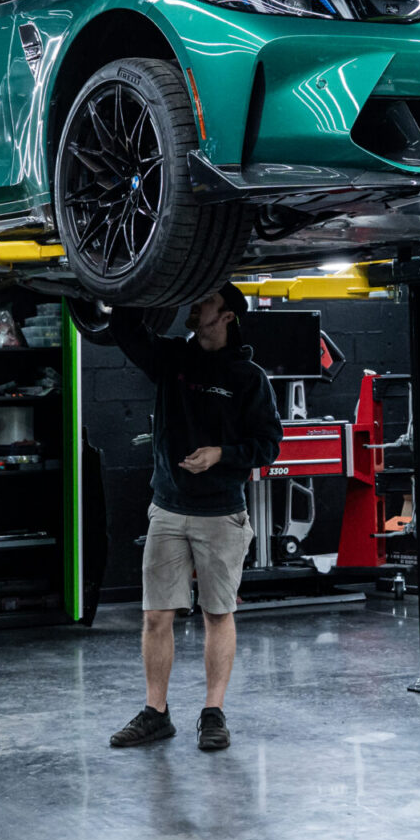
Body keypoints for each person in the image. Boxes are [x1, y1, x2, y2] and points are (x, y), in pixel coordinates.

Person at [106, 284, 282, 752]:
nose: (194, 306)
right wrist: (134, 282)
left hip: (221, 514)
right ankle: (155, 713)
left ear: (227, 316)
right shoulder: (172, 359)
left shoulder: (249, 378)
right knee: (155, 616)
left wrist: (221, 454)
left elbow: (268, 445)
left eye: (205, 302)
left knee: (217, 614)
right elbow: (124, 329)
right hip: (167, 509)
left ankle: (213, 713)